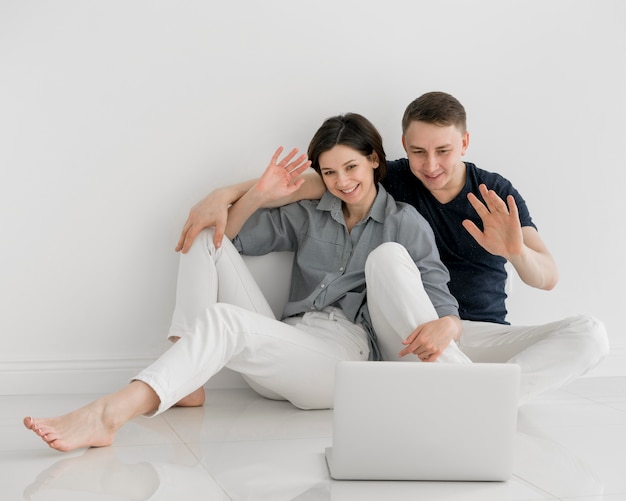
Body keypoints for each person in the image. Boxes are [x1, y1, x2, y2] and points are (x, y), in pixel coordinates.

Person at [24, 112, 470, 452]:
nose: (341, 182)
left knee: (226, 321)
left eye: (351, 168)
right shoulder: (312, 210)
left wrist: (448, 327)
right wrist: (258, 194)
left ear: (374, 160)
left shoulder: (403, 222)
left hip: (338, 360)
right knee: (204, 234)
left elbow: (437, 292)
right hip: (284, 345)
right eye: (330, 173)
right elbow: (228, 239)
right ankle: (188, 378)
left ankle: (109, 413)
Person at [177, 92, 609, 405]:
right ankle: (469, 396)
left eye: (443, 150)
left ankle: (483, 399)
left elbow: (547, 277)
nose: (431, 165)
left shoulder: (493, 191)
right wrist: (225, 192)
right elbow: (316, 181)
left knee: (590, 333)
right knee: (387, 259)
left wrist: (514, 251)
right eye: (419, 151)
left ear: (465, 143)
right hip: (405, 332)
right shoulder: (395, 178)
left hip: (472, 333)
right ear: (403, 148)